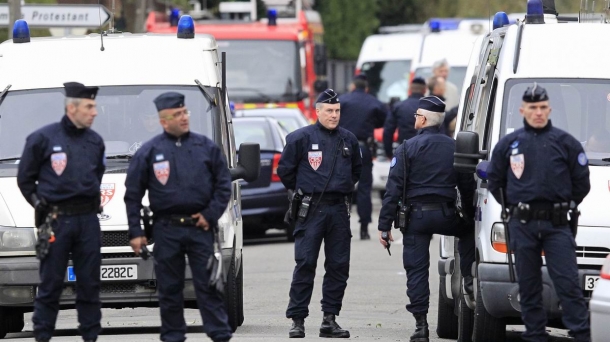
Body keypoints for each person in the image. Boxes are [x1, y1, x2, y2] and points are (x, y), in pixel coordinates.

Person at [124, 92, 233, 342]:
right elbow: (132, 195)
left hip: (200, 227)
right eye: (178, 115)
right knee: (169, 289)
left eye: (186, 113)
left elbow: (223, 185)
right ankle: (173, 336)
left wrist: (211, 214)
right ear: (164, 120)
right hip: (166, 229)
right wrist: (136, 232)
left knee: (208, 286)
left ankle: (219, 335)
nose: (184, 118)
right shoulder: (150, 152)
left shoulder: (206, 147)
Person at [487, 84, 591, 342]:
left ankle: (581, 335)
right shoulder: (509, 145)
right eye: (533, 108)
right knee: (528, 286)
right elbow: (494, 180)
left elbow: (582, 183)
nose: (538, 113)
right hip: (523, 225)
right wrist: (513, 207)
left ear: (549, 109)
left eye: (542, 108)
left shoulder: (565, 143)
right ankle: (535, 336)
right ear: (523, 110)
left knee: (567, 284)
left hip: (557, 226)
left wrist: (562, 206)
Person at [378, 96, 475, 342]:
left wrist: (384, 226)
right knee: (467, 232)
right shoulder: (455, 146)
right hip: (447, 214)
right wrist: (469, 217)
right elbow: (465, 186)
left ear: (422, 118)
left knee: (417, 271)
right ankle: (470, 281)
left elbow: (393, 189)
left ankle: (421, 326)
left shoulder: (407, 147)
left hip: (416, 218)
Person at [17, 82, 105, 342]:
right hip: (57, 221)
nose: (95, 112)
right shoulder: (43, 139)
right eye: (89, 107)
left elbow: (96, 177)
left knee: (89, 284)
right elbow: (25, 180)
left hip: (88, 221)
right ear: (72, 108)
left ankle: (90, 336)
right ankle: (43, 335)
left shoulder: (95, 141)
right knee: (51, 285)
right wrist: (39, 205)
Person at [278, 89, 362, 338]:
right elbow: (285, 172)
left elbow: (356, 172)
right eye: (329, 111)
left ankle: (329, 319)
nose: (334, 115)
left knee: (338, 265)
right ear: (317, 111)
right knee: (305, 263)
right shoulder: (299, 138)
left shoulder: (349, 139)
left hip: (338, 209)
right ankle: (297, 319)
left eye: (337, 111)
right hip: (311, 208)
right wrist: (304, 192)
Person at [338, 75, 387, 239]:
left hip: (342, 147)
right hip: (363, 147)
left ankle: (341, 225)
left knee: (342, 186)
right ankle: (364, 228)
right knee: (365, 188)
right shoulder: (373, 102)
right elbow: (382, 121)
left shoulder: (343, 100)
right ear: (366, 88)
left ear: (352, 86)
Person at [383, 77, 426, 158]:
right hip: (425, 150)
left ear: (410, 89)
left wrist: (389, 153)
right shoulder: (429, 107)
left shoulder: (398, 106)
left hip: (405, 150)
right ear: (424, 90)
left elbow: (388, 131)